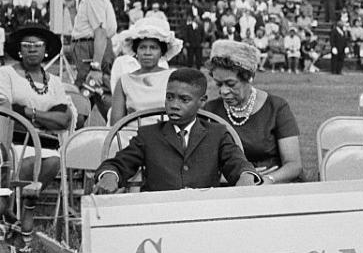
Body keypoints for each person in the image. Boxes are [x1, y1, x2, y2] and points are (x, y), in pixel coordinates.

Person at [94, 69, 260, 193]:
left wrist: (245, 175)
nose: (174, 105)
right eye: (169, 97)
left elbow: (237, 163)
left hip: (204, 214)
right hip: (158, 215)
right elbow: (119, 163)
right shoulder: (148, 135)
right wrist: (110, 175)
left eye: (184, 99)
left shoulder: (217, 134)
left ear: (201, 102)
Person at [205, 40, 303, 183]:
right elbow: (198, 165)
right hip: (229, 186)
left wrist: (267, 179)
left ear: (249, 77)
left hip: (273, 185)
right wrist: (241, 177)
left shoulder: (276, 107)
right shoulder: (210, 110)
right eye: (219, 84)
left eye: (231, 84)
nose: (223, 91)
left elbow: (294, 164)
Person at [0, 23, 75, 186]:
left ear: (45, 49)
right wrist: (47, 116)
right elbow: (6, 111)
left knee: (53, 162)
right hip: (13, 142)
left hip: (46, 142)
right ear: (19, 50)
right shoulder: (6, 74)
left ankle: (25, 206)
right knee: (29, 163)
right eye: (26, 45)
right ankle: (12, 205)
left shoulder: (55, 82)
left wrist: (27, 111)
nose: (32, 49)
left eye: (37, 45)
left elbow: (63, 120)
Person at [110, 17, 183, 124]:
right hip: (132, 137)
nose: (147, 52)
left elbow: (183, 114)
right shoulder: (124, 81)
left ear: (161, 52)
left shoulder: (173, 77)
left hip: (167, 137)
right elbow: (115, 124)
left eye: (153, 48)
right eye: (142, 47)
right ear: (136, 51)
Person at [66, 0, 117, 93]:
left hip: (90, 52)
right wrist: (72, 9)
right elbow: (80, 31)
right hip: (86, 50)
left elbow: (100, 33)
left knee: (87, 91)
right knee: (92, 92)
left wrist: (96, 67)